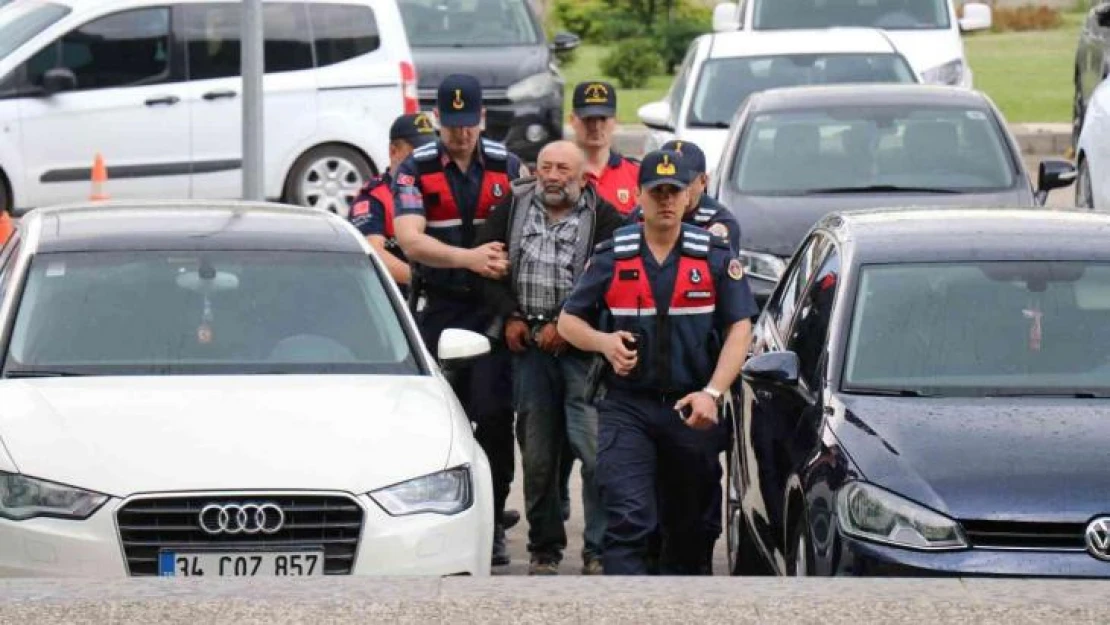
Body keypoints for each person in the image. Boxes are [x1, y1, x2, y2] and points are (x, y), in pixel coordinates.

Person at [557, 149, 758, 575]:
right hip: (627, 407)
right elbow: (568, 321)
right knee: (629, 521)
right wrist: (604, 342)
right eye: (657, 192)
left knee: (688, 529)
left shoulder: (716, 258)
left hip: (692, 409)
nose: (666, 200)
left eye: (675, 191)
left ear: (689, 196)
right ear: (641, 198)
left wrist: (712, 393)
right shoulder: (614, 255)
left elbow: (740, 331)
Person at [393, 73, 528, 567]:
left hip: (491, 308)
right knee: (437, 416)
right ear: (438, 123)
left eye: (469, 125)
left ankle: (490, 524)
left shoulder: (508, 165)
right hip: (440, 305)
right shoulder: (415, 168)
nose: (462, 135)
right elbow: (410, 240)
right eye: (453, 127)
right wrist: (469, 258)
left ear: (482, 119)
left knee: (494, 417)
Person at [476, 140, 625, 575]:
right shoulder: (513, 207)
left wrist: (573, 326)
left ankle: (598, 548)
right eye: (545, 167)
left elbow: (616, 287)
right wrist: (508, 316)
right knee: (538, 455)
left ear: (583, 177)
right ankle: (544, 548)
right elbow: (483, 268)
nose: (552, 176)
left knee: (595, 454)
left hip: (583, 353)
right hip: (529, 351)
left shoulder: (605, 219)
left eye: (563, 168)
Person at [349, 113, 437, 291]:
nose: (425, 158)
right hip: (398, 299)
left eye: (430, 151)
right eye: (416, 152)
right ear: (393, 151)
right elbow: (373, 253)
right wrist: (428, 284)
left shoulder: (442, 188)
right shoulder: (374, 197)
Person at [626, 139, 742, 255]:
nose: (668, 196)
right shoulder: (640, 215)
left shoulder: (719, 221)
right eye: (660, 187)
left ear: (703, 181)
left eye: (681, 184)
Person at [571, 81, 641, 216]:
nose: (595, 126)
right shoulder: (557, 174)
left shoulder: (636, 175)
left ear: (615, 120)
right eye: (588, 119)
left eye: (602, 119)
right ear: (572, 120)